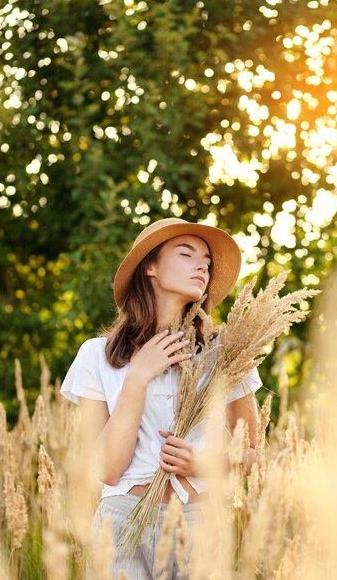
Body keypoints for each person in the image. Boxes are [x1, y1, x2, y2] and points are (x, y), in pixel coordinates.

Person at [60, 217, 262, 579]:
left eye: (206, 261)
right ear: (149, 267)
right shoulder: (96, 355)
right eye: (186, 253)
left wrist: (203, 464)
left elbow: (252, 456)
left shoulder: (228, 353)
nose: (202, 264)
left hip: (200, 525)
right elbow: (107, 469)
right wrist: (137, 378)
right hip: (122, 523)